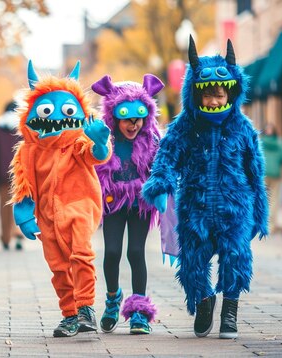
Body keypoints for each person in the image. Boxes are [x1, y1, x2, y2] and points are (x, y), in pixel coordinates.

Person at [142, 36, 269, 339]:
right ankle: (203, 301)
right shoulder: (185, 126)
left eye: (219, 95)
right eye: (207, 96)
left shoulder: (242, 128)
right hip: (195, 208)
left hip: (234, 208)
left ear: (230, 94)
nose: (213, 101)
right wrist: (160, 183)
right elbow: (167, 156)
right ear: (195, 96)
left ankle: (230, 312)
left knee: (236, 258)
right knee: (192, 263)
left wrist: (259, 212)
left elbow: (255, 173)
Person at [9, 60, 111, 337]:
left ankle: (86, 307)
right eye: (46, 110)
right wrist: (24, 215)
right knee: (58, 266)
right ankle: (69, 314)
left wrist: (100, 142)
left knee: (81, 253)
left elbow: (96, 156)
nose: (55, 116)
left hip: (79, 206)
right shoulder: (29, 151)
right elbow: (24, 184)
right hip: (47, 216)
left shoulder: (77, 141)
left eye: (65, 110)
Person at [91, 74, 164, 334]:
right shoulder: (104, 138)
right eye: (126, 118)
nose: (133, 125)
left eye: (138, 118)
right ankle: (113, 299)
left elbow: (161, 167)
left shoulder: (153, 139)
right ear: (114, 116)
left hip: (141, 203)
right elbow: (91, 163)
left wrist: (161, 189)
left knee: (135, 252)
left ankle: (139, 312)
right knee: (111, 252)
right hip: (113, 202)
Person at [0, 100, 24, 250]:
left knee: (4, 206)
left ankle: (6, 237)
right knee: (20, 204)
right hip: (20, 175)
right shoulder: (22, 129)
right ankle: (18, 232)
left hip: (3, 175)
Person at [261, 123, 282, 233]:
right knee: (274, 200)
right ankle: (272, 226)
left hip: (263, 174)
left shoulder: (261, 141)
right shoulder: (279, 142)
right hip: (275, 174)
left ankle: (263, 225)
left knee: (264, 199)